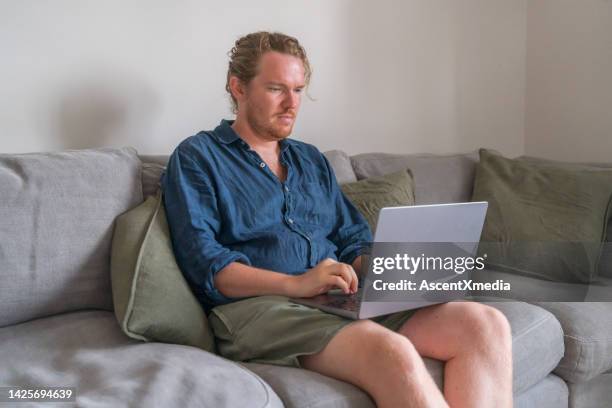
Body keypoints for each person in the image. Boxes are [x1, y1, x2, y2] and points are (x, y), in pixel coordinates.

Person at [161, 31, 512, 408]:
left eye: (298, 90)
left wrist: (396, 273)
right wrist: (297, 284)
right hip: (262, 308)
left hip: (336, 299)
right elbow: (207, 266)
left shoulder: (310, 160)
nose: (290, 104)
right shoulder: (198, 157)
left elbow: (350, 240)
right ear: (238, 87)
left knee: (484, 325)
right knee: (390, 351)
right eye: (277, 89)